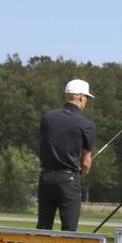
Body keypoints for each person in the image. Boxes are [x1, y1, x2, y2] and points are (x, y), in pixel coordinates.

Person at [36, 78, 95, 230]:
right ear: (81, 97)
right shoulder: (86, 124)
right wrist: (84, 172)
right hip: (68, 181)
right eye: (86, 98)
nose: (86, 101)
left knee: (43, 227)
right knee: (69, 230)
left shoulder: (47, 118)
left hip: (45, 178)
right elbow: (86, 162)